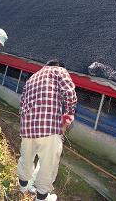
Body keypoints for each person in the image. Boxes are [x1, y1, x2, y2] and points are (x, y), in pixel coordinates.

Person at [17, 59, 77, 201]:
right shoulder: (59, 71)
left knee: (26, 158)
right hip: (49, 127)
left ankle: (22, 189)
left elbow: (22, 105)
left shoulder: (32, 78)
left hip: (27, 128)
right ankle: (42, 197)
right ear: (59, 66)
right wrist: (68, 116)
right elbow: (70, 94)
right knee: (48, 164)